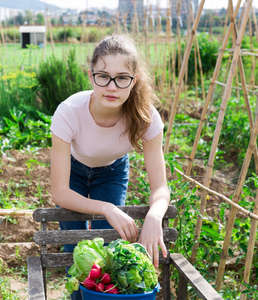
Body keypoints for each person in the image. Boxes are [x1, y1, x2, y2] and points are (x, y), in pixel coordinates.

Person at [50, 35, 170, 298]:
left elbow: (160, 187)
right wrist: (107, 208)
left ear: (134, 80)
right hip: (74, 172)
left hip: (112, 172)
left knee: (110, 246)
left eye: (122, 78)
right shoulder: (69, 112)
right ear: (91, 76)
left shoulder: (147, 118)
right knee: (76, 250)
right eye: (103, 76)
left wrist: (153, 216)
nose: (111, 86)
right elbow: (59, 192)